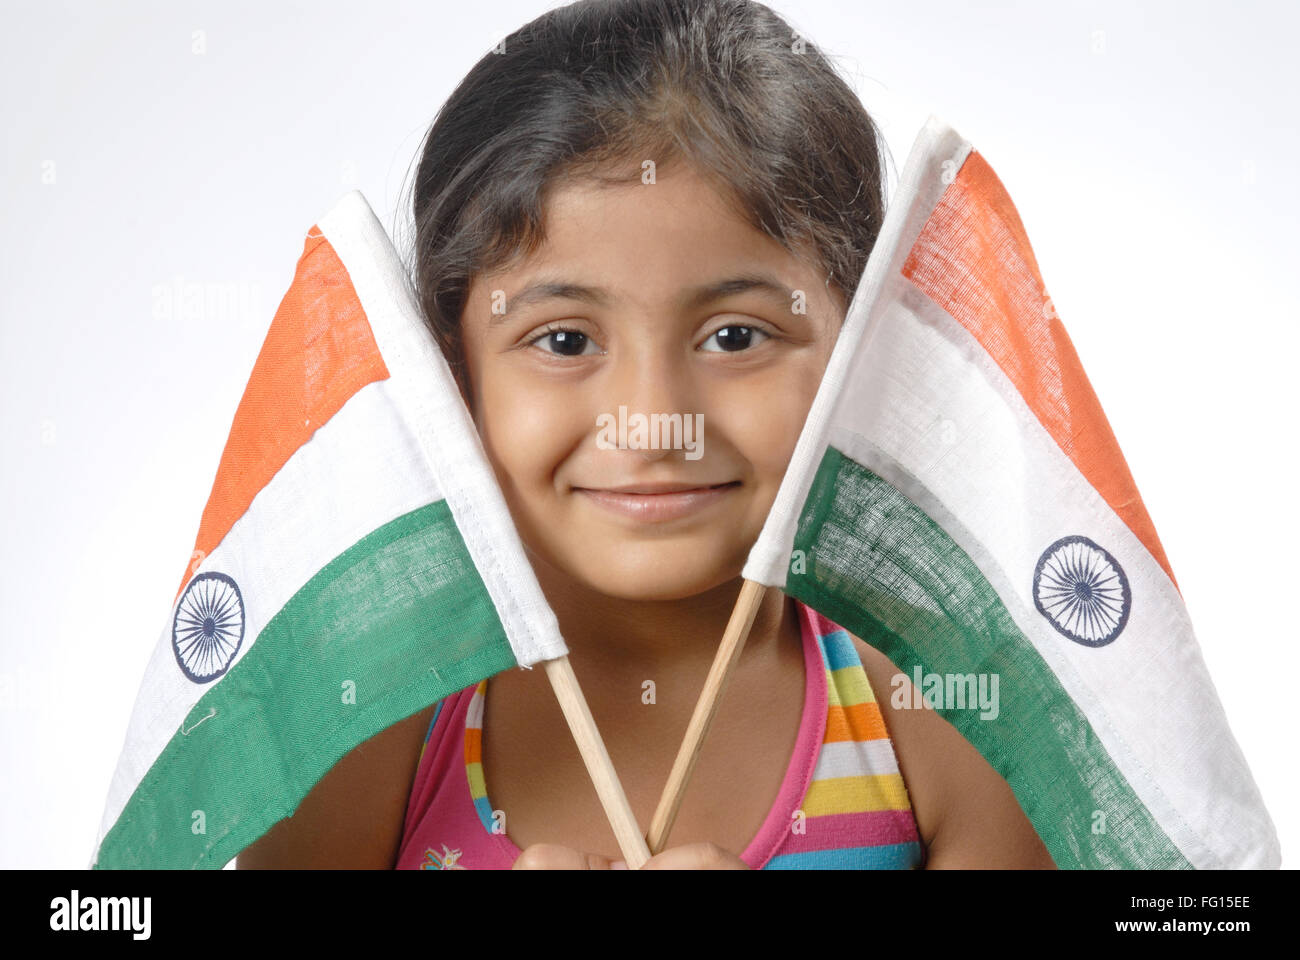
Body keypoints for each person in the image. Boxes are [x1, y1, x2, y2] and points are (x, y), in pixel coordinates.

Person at [238, 0, 1054, 870]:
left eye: (736, 336)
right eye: (564, 341)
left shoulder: (945, 711)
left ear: (862, 352)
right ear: (452, 378)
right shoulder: (367, 722)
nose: (653, 419)